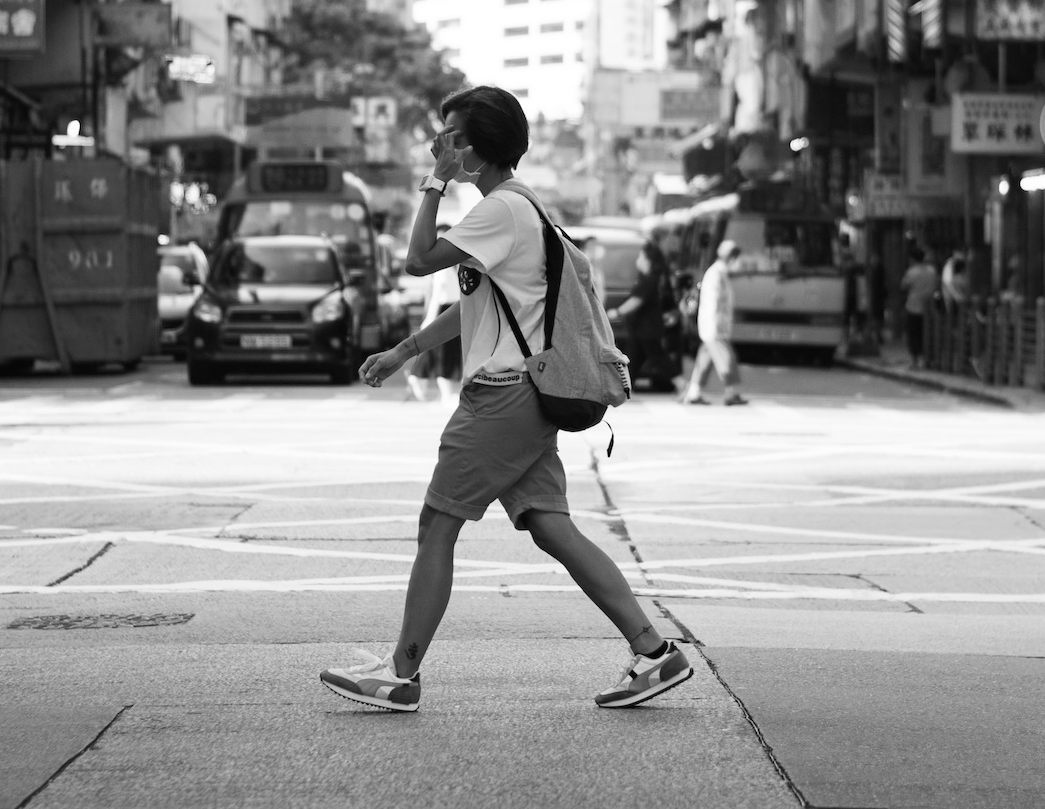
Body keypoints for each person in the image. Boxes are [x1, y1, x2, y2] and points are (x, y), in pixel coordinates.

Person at [319, 86, 691, 714]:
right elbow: (476, 307)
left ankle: (402, 673)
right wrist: (405, 350)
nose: (444, 145)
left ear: (479, 147)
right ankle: (654, 653)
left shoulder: (502, 210)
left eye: (454, 137)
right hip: (526, 392)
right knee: (550, 527)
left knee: (437, 524)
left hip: (503, 396)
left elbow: (417, 261)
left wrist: (433, 182)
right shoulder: (515, 209)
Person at [403, 223, 463, 404]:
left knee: (439, 351)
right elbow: (437, 293)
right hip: (444, 309)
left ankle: (418, 376)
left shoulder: (454, 259)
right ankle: (444, 392)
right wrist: (430, 317)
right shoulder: (442, 263)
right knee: (441, 353)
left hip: (454, 307)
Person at [681, 239, 746, 406]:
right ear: (731, 258)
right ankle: (731, 393)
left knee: (704, 360)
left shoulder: (720, 273)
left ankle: (693, 393)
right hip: (714, 327)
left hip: (713, 326)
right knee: (726, 359)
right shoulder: (716, 274)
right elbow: (713, 302)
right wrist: (715, 326)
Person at [608, 238, 675, 391]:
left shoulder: (649, 279)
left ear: (648, 261)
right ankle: (622, 388)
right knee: (634, 360)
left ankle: (682, 385)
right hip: (641, 329)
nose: (638, 261)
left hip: (647, 330)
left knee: (659, 359)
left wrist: (618, 312)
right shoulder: (652, 279)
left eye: (641, 257)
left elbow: (636, 300)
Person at [900, 247, 939, 362]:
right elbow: (936, 285)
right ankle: (927, 359)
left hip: (914, 306)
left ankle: (915, 361)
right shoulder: (932, 270)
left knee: (913, 334)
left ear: (912, 259)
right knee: (927, 334)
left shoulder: (912, 271)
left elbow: (903, 286)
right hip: (929, 307)